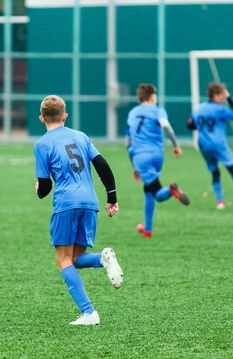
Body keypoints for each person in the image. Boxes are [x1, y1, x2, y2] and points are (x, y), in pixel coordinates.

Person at [34, 95, 123, 326]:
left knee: (62, 259)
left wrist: (38, 189)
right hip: (90, 203)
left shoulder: (42, 144)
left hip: (66, 204)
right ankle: (103, 260)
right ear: (65, 116)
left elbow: (45, 188)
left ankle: (89, 313)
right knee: (76, 257)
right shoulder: (81, 137)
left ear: (41, 118)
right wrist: (111, 197)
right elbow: (102, 165)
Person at [126, 83, 190, 238]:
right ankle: (147, 229)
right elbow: (166, 127)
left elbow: (128, 143)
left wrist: (134, 163)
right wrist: (176, 145)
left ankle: (171, 189)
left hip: (140, 156)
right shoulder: (158, 110)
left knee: (157, 193)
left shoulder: (133, 113)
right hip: (157, 155)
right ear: (153, 97)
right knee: (149, 189)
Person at [188, 82, 233, 210]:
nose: (223, 97)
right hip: (218, 143)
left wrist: (203, 127)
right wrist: (230, 98)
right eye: (221, 95)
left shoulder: (199, 108)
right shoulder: (220, 109)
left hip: (203, 144)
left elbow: (190, 124)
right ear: (215, 95)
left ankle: (220, 202)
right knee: (232, 169)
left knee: (215, 172)